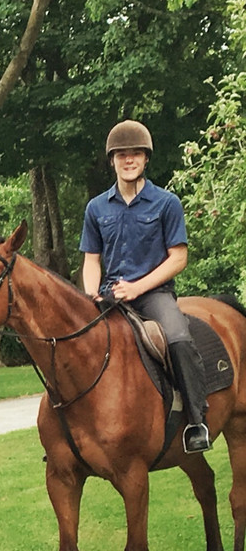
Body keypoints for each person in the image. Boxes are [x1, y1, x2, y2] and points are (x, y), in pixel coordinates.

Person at [81, 119, 210, 453]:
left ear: (145, 158)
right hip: (110, 295)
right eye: (121, 154)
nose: (128, 160)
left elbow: (178, 258)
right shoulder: (96, 208)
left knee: (179, 338)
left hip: (153, 294)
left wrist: (137, 288)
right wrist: (92, 293)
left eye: (135, 153)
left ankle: (197, 421)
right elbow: (92, 260)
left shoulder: (166, 203)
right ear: (112, 160)